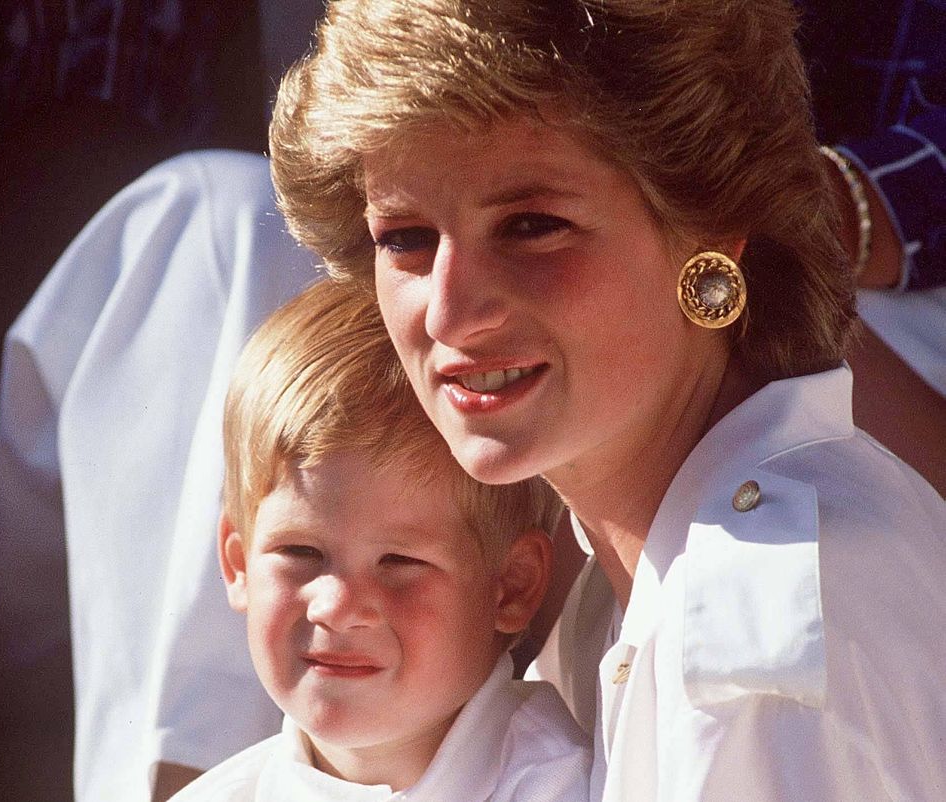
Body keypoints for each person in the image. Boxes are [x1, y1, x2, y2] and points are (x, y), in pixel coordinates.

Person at [269, 1, 946, 799]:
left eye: (531, 225)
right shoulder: (641, 580)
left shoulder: (743, 623)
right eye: (404, 238)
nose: (450, 312)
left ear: (709, 232)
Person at [171, 279, 591, 801]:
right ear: (238, 564)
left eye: (399, 560)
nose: (337, 606)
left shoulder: (569, 787)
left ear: (511, 585)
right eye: (299, 553)